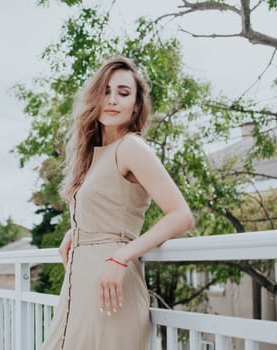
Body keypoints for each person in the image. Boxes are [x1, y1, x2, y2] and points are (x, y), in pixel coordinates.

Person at [41, 56, 194, 350]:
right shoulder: (95, 154)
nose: (112, 100)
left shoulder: (131, 147)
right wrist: (80, 230)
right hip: (79, 288)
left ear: (136, 105)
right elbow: (110, 204)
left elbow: (180, 215)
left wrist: (121, 256)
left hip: (110, 289)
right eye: (105, 91)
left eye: (123, 93)